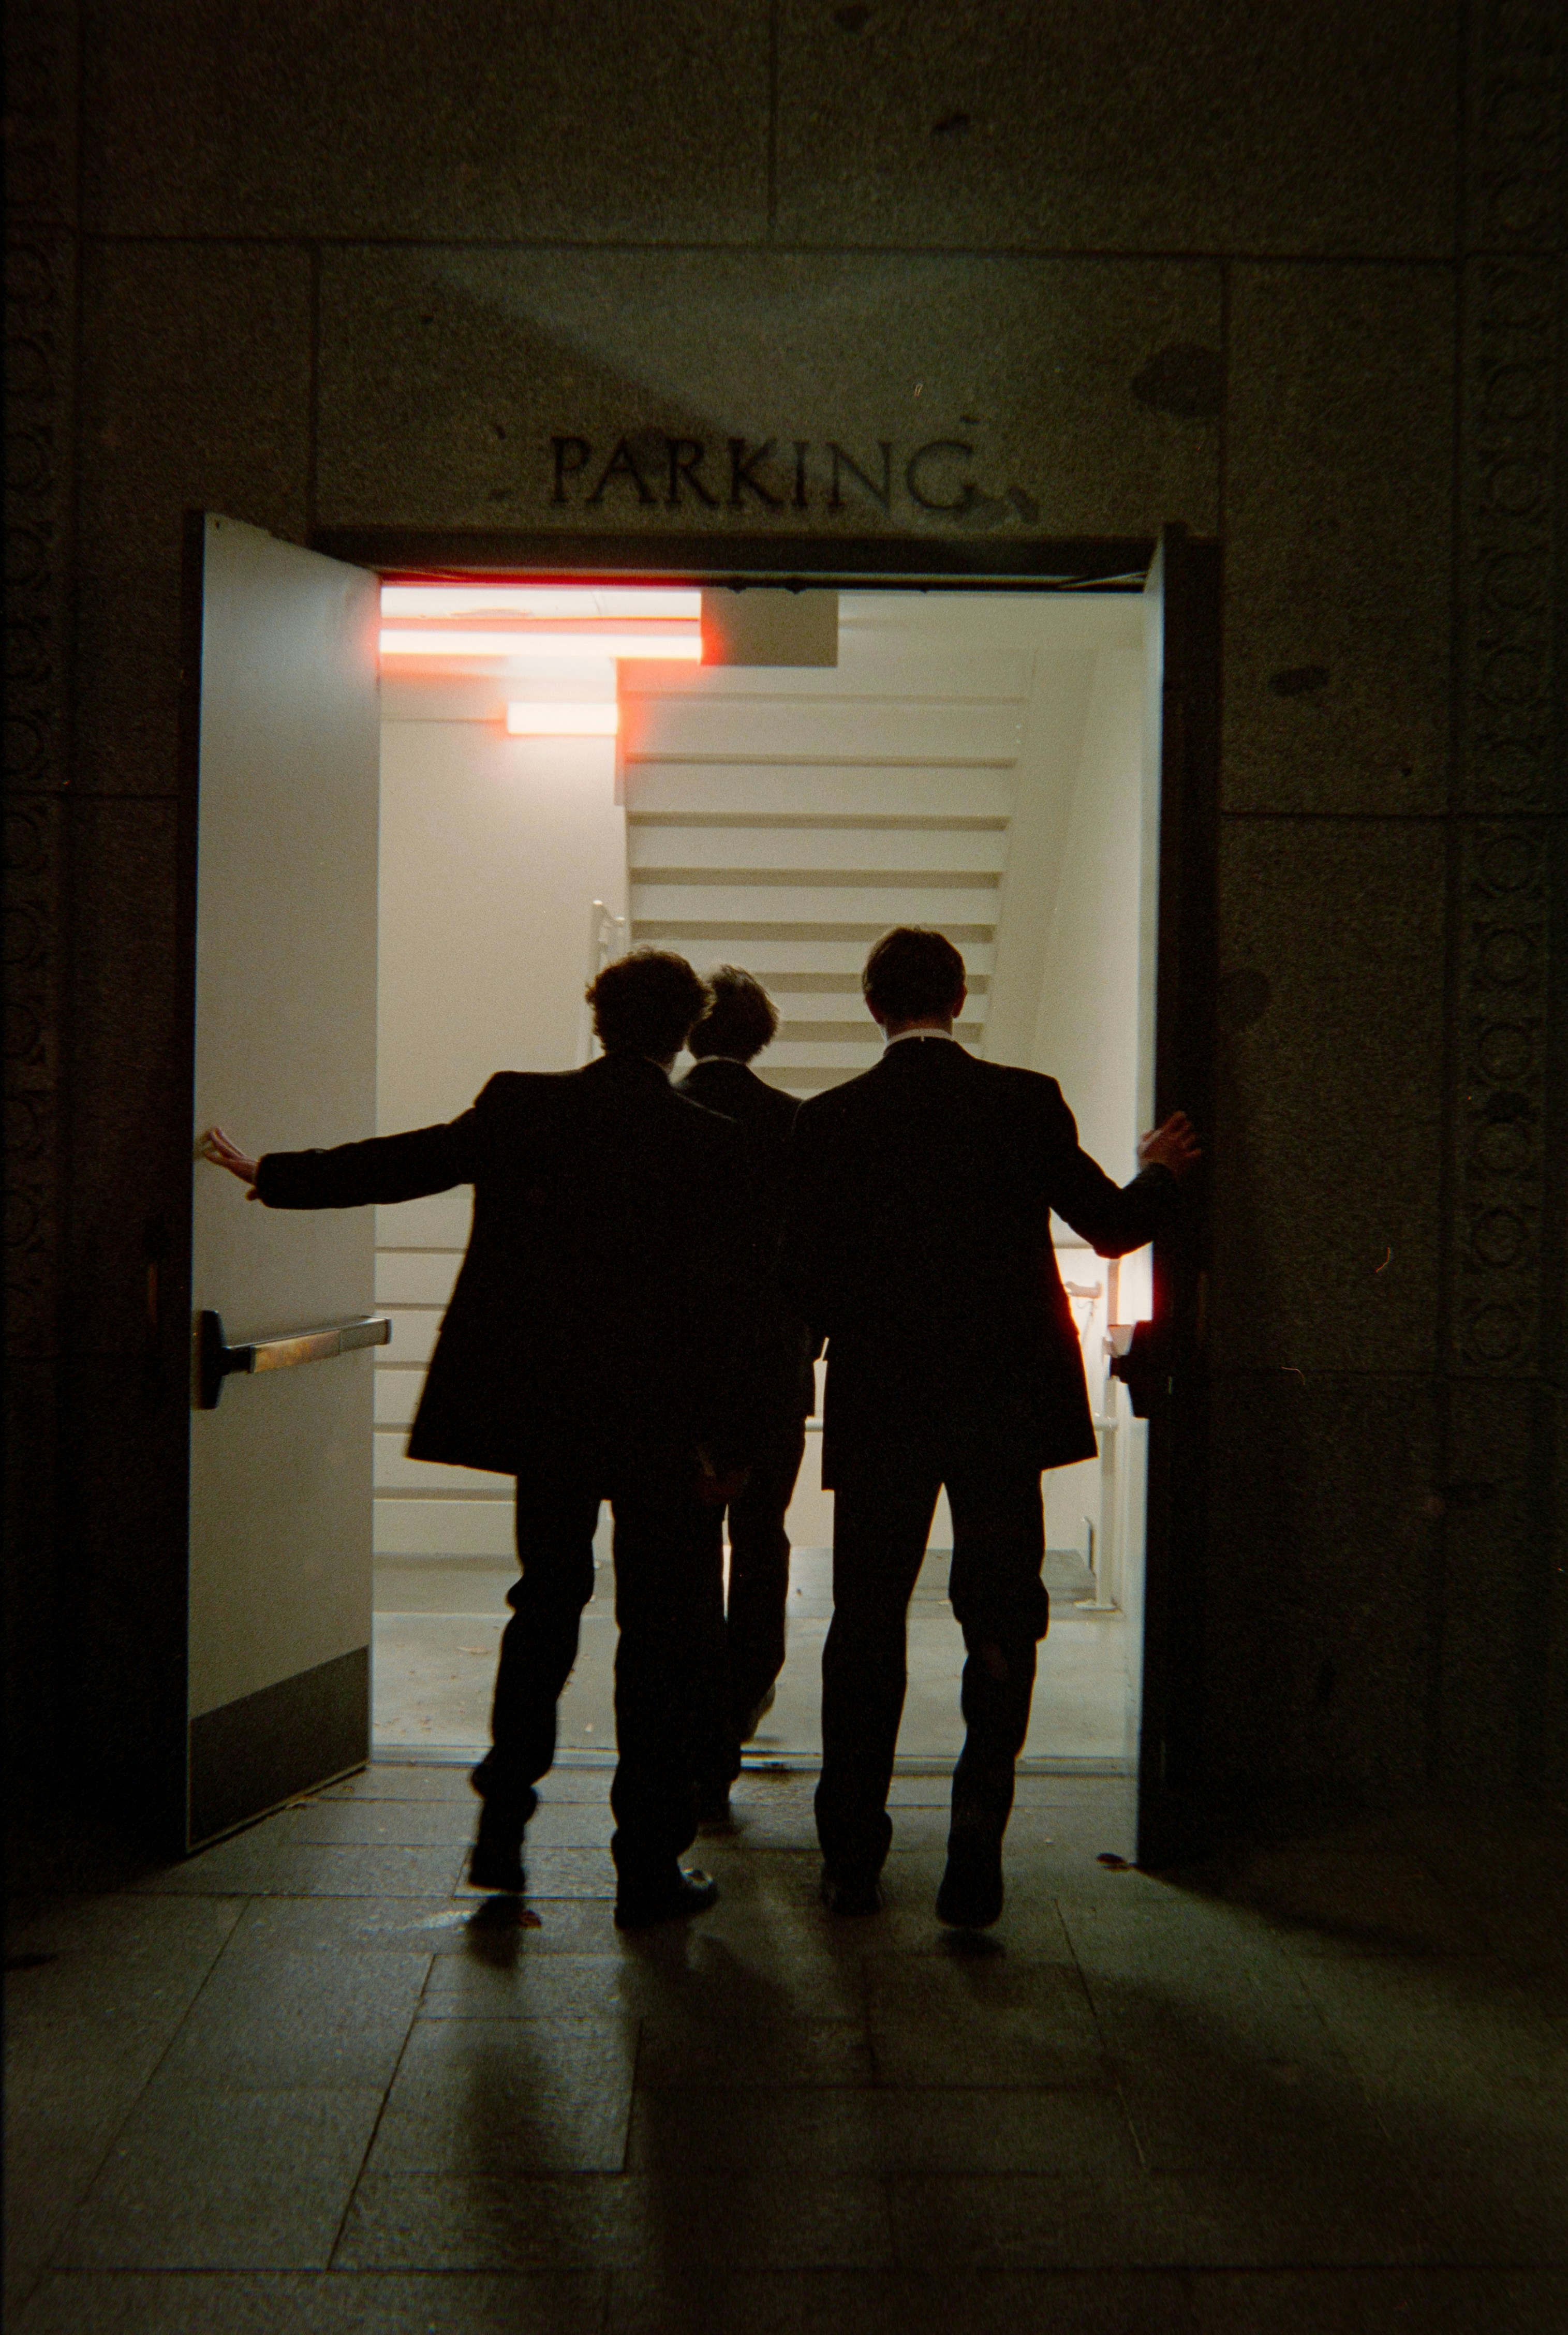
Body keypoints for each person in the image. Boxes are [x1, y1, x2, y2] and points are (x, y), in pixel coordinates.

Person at [199, 948, 756, 1930]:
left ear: (598, 1021)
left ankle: (503, 1825)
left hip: (546, 1415)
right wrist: (728, 1439)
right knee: (658, 1636)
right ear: (682, 1033)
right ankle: (646, 1861)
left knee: (544, 1604)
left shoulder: (522, 1105)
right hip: (658, 1424)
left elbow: (407, 1162)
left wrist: (270, 1174)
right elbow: (725, 1312)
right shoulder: (707, 1142)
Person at [778, 925, 1201, 1928]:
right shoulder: (1023, 1099)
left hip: (885, 1402)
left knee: (867, 1623)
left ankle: (851, 1853)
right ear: (957, 1000)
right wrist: (1160, 1172)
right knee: (1001, 1617)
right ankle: (977, 1832)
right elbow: (1110, 1226)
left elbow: (804, 1282)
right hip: (1006, 1402)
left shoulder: (830, 1122)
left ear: (873, 1007)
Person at [675, 967, 818, 1819]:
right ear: (762, 1037)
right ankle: (737, 1707)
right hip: (770, 1373)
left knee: (687, 1555)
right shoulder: (795, 1124)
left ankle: (690, 1732)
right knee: (761, 1541)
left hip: (682, 1377)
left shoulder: (663, 1116)